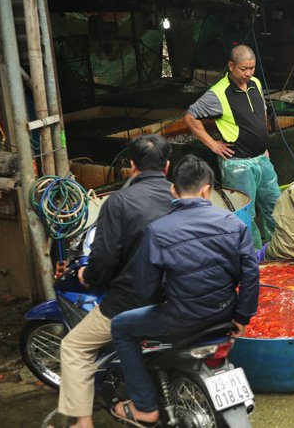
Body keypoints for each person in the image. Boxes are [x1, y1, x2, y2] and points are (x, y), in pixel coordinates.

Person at [109, 155, 259, 426]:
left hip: (181, 321)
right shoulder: (234, 223)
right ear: (207, 190)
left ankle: (144, 407)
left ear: (173, 190)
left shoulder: (157, 231)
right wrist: (242, 316)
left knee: (120, 327)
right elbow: (250, 274)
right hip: (225, 317)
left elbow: (145, 290)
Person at [51, 135, 174, 428]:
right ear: (167, 166)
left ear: (131, 166)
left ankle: (82, 423)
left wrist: (87, 276)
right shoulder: (182, 194)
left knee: (74, 347)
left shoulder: (118, 201)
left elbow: (104, 258)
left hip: (133, 301)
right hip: (182, 296)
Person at [183, 44, 280, 248]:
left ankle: (278, 251)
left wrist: (263, 141)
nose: (248, 73)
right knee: (245, 215)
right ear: (230, 66)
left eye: (252, 68)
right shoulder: (218, 93)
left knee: (275, 207)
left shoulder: (255, 83)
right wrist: (212, 144)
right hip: (238, 165)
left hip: (262, 158)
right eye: (243, 68)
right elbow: (190, 116)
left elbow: (261, 111)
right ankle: (253, 259)